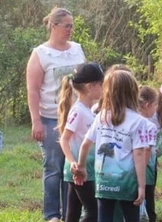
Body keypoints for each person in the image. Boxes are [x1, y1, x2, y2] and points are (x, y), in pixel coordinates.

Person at [26, 7, 85, 222]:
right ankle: (52, 214)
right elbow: (32, 89)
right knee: (54, 167)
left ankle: (71, 214)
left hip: (77, 116)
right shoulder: (40, 53)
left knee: (72, 167)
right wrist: (36, 121)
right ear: (53, 26)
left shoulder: (77, 49)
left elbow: (84, 81)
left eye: (72, 26)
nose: (70, 30)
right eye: (66, 26)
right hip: (51, 117)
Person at [75, 70, 147, 222]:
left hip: (104, 181)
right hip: (128, 182)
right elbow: (139, 154)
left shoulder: (101, 116)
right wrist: (141, 186)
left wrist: (81, 168)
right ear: (133, 92)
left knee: (104, 217)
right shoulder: (138, 121)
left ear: (107, 92)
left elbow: (86, 144)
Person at [57, 62, 104, 222]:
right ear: (91, 87)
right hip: (80, 171)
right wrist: (72, 162)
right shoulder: (78, 111)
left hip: (85, 169)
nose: (103, 88)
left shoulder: (89, 110)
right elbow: (64, 139)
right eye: (101, 84)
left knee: (73, 213)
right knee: (93, 212)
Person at [138, 85, 158, 222]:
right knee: (148, 206)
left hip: (130, 173)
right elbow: (146, 151)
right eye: (156, 104)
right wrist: (140, 174)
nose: (156, 108)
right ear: (147, 105)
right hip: (146, 174)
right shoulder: (149, 126)